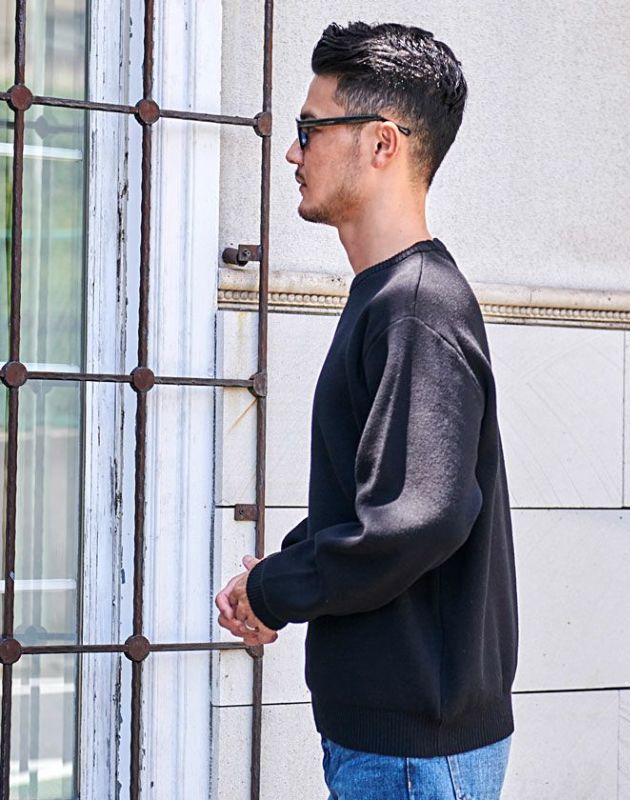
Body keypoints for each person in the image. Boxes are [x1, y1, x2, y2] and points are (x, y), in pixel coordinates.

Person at [215, 21, 519, 800]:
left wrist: (277, 589)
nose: (293, 154)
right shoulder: (393, 299)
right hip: (396, 748)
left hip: (412, 756)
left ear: (382, 142)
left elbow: (417, 518)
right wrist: (281, 572)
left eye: (310, 129)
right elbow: (376, 500)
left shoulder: (416, 305)